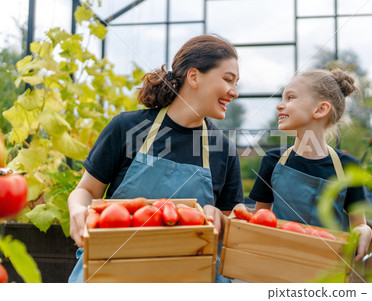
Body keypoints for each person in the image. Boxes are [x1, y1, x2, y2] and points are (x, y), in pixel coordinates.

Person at [68, 35, 243, 282]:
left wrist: (222, 221)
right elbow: (86, 190)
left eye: (236, 83)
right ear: (194, 76)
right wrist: (77, 210)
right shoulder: (128, 127)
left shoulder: (223, 149)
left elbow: (229, 235)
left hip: (190, 280)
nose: (234, 92)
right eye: (228, 80)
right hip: (113, 273)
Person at [248, 69, 372, 263]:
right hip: (277, 266)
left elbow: (360, 224)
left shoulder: (348, 168)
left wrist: (365, 231)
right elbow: (259, 218)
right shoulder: (273, 161)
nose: (280, 106)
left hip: (327, 270)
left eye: (290, 98)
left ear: (320, 109)